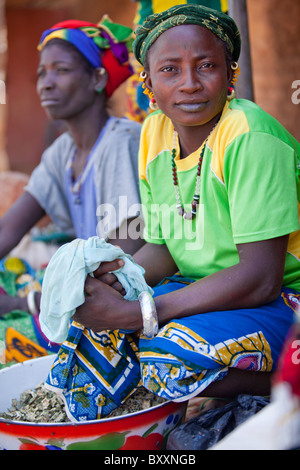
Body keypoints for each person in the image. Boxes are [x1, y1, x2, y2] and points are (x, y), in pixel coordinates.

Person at [42, 4, 300, 422]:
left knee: (166, 360)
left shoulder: (250, 136)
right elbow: (162, 246)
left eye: (206, 66)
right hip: (204, 289)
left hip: (282, 298)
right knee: (91, 336)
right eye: (170, 70)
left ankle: (282, 381)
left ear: (231, 73)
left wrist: (141, 312)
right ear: (147, 81)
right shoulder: (155, 132)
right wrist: (116, 278)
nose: (190, 84)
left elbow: (262, 278)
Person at [0, 18, 143, 330]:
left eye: (61, 70)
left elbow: (120, 260)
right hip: (84, 291)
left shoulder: (121, 141)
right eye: (42, 72)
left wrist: (25, 303)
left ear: (97, 78)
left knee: (11, 336)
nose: (46, 83)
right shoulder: (62, 153)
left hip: (125, 300)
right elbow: (8, 230)